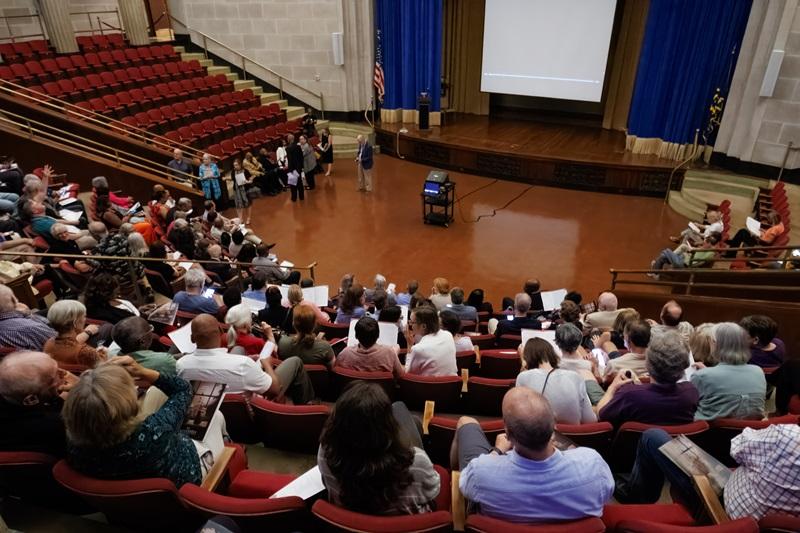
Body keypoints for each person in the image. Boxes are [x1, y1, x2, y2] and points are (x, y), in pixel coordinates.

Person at [454, 387, 613, 523]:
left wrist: (497, 451)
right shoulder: (593, 464)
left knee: (466, 422)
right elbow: (606, 496)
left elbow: (465, 486)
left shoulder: (481, 473)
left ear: (508, 434)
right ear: (554, 425)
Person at [63, 357, 222, 487]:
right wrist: (143, 371)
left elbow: (94, 407)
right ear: (128, 407)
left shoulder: (72, 444)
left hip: (127, 489)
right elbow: (184, 389)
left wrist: (88, 387)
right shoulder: (155, 430)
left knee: (154, 392)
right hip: (188, 476)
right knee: (216, 416)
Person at [620, 424, 800, 520]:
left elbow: (737, 448)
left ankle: (634, 496)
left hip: (718, 505)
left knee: (653, 436)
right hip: (761, 517)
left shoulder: (787, 437)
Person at [318, 382, 440, 515]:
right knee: (402, 410)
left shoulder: (326, 452)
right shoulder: (417, 462)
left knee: (406, 415)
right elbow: (434, 491)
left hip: (349, 520)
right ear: (389, 425)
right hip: (406, 525)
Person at [177, 314, 314, 403]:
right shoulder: (242, 365)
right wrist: (266, 364)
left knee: (238, 349)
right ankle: (306, 406)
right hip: (250, 422)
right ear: (220, 333)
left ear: (192, 339)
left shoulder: (181, 365)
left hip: (214, 415)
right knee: (294, 361)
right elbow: (275, 390)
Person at [597, 331, 699, 426]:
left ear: (648, 363)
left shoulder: (628, 395)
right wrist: (639, 386)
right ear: (683, 366)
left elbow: (600, 415)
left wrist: (612, 387)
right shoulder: (691, 392)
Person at [0, 351, 75, 456]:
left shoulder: (11, 395)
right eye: (56, 376)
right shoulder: (54, 425)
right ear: (31, 400)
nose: (64, 374)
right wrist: (79, 388)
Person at [691, 323, 766, 421]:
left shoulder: (702, 376)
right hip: (748, 432)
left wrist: (706, 374)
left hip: (707, 433)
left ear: (715, 344)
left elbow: (687, 407)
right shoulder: (758, 372)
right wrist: (708, 372)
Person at [516, 338, 596, 424]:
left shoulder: (523, 377)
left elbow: (519, 416)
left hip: (539, 435)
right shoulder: (575, 377)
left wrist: (523, 361)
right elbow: (590, 420)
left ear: (527, 358)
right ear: (552, 353)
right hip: (572, 436)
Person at [43, 300, 108, 368]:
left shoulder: (49, 343)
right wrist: (104, 355)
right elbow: (104, 368)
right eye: (84, 316)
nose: (85, 320)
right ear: (75, 323)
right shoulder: (84, 352)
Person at [336, 317, 405, 379]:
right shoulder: (390, 353)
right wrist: (394, 354)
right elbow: (400, 375)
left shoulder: (344, 354)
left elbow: (337, 372)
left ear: (356, 336)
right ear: (378, 336)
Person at [554, 323, 603, 404]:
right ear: (579, 341)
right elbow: (600, 381)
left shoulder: (555, 365)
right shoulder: (589, 364)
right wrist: (596, 366)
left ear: (557, 343)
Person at [112, 316, 177, 375]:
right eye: (150, 328)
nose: (152, 332)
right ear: (142, 341)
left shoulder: (111, 358)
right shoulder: (165, 360)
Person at [0, 284, 56, 350]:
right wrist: (30, 315)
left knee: (51, 310)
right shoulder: (30, 328)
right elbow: (59, 342)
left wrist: (28, 314)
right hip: (50, 355)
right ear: (13, 300)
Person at [405, 306, 457, 377]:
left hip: (427, 386)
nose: (409, 324)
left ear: (423, 326)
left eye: (412, 322)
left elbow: (408, 373)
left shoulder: (418, 349)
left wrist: (409, 345)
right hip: (451, 386)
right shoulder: (448, 335)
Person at [649, 233, 720, 276]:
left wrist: (687, 255)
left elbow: (695, 263)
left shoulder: (709, 253)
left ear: (710, 244)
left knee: (666, 251)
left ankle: (656, 269)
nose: (703, 243)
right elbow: (696, 252)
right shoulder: (706, 249)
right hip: (682, 258)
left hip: (683, 264)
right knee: (663, 257)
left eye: (706, 242)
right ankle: (656, 272)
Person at [228, 159, 253, 225]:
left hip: (245, 190)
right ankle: (240, 219)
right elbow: (233, 179)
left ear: (240, 164)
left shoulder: (245, 171)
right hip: (237, 191)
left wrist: (249, 181)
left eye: (236, 165)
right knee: (238, 206)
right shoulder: (233, 171)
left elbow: (250, 178)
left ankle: (248, 218)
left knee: (248, 205)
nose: (235, 167)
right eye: (234, 165)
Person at [285, 134, 305, 202]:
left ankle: (294, 198)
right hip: (298, 167)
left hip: (292, 168)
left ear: (289, 139)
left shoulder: (287, 148)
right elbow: (301, 157)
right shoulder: (298, 147)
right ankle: (301, 197)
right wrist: (301, 167)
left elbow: (290, 160)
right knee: (299, 183)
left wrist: (289, 169)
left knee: (293, 184)